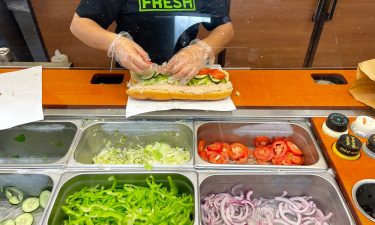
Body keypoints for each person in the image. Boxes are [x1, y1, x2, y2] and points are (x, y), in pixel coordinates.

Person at [70, 0, 234, 81]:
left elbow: (224, 28)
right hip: (134, 73)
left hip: (187, 73)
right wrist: (117, 44)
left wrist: (201, 50)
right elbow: (79, 24)